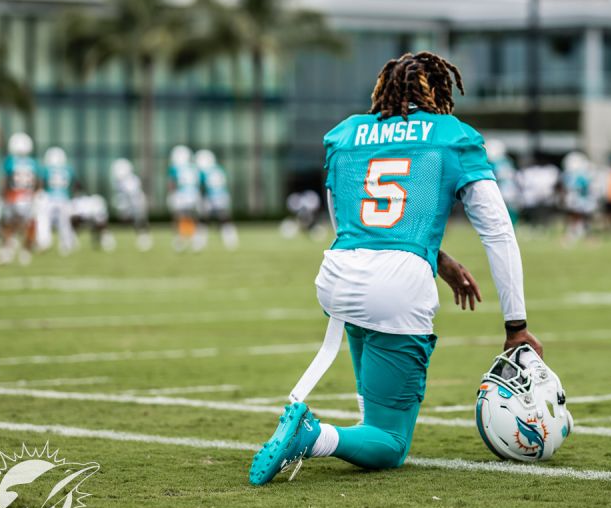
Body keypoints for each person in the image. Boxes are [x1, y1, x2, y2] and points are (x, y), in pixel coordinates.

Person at [248, 51, 541, 485]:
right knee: (390, 444)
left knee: (374, 408)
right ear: (439, 91)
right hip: (397, 284)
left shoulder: (345, 134)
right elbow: (498, 231)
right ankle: (313, 436)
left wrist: (437, 259)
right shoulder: (452, 135)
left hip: (339, 272)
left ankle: (351, 427)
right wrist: (516, 324)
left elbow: (347, 222)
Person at [0, 132, 39, 265]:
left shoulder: (10, 161)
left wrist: (2, 195)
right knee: (29, 225)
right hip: (27, 198)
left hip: (13, 197)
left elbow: (6, 181)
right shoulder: (33, 163)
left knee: (8, 225)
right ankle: (25, 252)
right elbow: (36, 183)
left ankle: (7, 250)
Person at [37, 147, 78, 255]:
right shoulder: (68, 169)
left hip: (50, 198)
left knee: (44, 219)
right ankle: (66, 245)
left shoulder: (46, 169)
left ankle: (44, 241)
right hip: (64, 198)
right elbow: (73, 185)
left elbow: (41, 184)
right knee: (64, 223)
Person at [195, 149, 238, 250]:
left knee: (204, 219)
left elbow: (203, 186)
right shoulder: (219, 168)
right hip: (222, 195)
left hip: (211, 196)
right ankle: (230, 238)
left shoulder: (204, 171)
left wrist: (201, 198)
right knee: (224, 218)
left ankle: (200, 241)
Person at [111, 158, 153, 251]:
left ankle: (144, 237)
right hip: (130, 204)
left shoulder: (131, 181)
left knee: (139, 221)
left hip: (136, 203)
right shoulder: (120, 181)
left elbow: (134, 195)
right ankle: (142, 237)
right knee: (131, 222)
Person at [167, 145, 203, 252]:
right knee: (191, 217)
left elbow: (172, 183)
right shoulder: (193, 167)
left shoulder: (175, 168)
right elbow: (199, 182)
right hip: (193, 194)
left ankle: (180, 239)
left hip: (182, 194)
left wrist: (171, 195)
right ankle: (195, 238)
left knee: (179, 217)